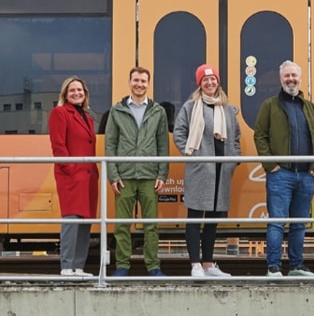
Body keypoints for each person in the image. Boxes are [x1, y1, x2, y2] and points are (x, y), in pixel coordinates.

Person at [254, 60, 314, 278]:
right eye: (287, 76)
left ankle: (296, 266)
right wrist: (270, 165)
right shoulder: (270, 105)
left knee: (299, 224)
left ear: (300, 79)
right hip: (280, 174)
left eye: (294, 75)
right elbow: (260, 135)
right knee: (277, 222)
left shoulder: (311, 109)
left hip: (305, 175)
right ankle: (273, 267)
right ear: (281, 79)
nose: (291, 79)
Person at [173, 64, 240, 278]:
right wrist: (192, 156)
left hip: (222, 171)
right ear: (199, 84)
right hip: (200, 170)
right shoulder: (191, 107)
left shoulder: (228, 109)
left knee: (212, 219)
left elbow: (236, 137)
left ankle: (209, 264)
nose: (210, 83)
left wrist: (234, 159)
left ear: (217, 81)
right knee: (194, 216)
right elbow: (179, 133)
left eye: (213, 79)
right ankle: (195, 265)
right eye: (205, 80)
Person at [105, 66, 169, 277]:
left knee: (151, 225)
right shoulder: (117, 110)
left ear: (148, 84)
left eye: (143, 81)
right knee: (122, 225)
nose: (139, 84)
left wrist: (162, 174)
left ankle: (153, 266)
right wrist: (113, 175)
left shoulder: (158, 111)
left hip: (149, 176)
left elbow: (163, 145)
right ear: (129, 82)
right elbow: (110, 145)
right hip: (124, 177)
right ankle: (122, 266)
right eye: (136, 80)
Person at [48, 77, 99, 277]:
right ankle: (67, 266)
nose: (76, 93)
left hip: (87, 177)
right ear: (65, 94)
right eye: (72, 90)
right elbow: (58, 145)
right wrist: (69, 169)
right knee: (71, 220)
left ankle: (79, 267)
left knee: (85, 222)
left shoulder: (88, 117)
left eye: (80, 90)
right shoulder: (60, 113)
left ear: (85, 93)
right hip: (71, 176)